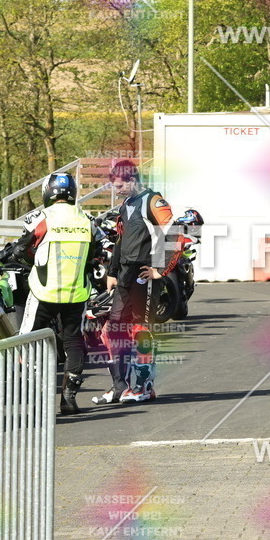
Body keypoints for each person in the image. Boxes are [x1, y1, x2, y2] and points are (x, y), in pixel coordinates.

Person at [0, 173, 99, 414]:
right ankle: (68, 398)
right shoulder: (87, 220)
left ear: (47, 191)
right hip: (76, 293)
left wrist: (22, 257)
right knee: (73, 341)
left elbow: (21, 249)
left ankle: (35, 397)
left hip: (44, 291)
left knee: (27, 339)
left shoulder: (41, 217)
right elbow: (94, 255)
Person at [93, 160, 174, 405]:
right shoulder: (125, 205)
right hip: (125, 276)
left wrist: (162, 269)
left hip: (144, 274)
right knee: (112, 330)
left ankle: (143, 387)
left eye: (119, 185)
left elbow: (175, 232)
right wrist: (112, 272)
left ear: (132, 180)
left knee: (140, 330)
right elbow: (120, 240)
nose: (116, 190)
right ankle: (120, 386)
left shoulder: (154, 201)